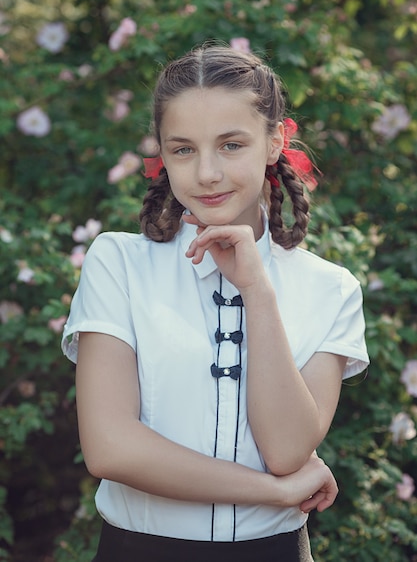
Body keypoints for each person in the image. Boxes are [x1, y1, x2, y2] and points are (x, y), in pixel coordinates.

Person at [62, 44, 369, 562]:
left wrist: (257, 291)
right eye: (183, 149)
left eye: (231, 145)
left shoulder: (330, 288)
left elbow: (287, 450)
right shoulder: (119, 263)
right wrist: (273, 493)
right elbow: (110, 447)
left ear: (274, 143)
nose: (206, 173)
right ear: (162, 153)